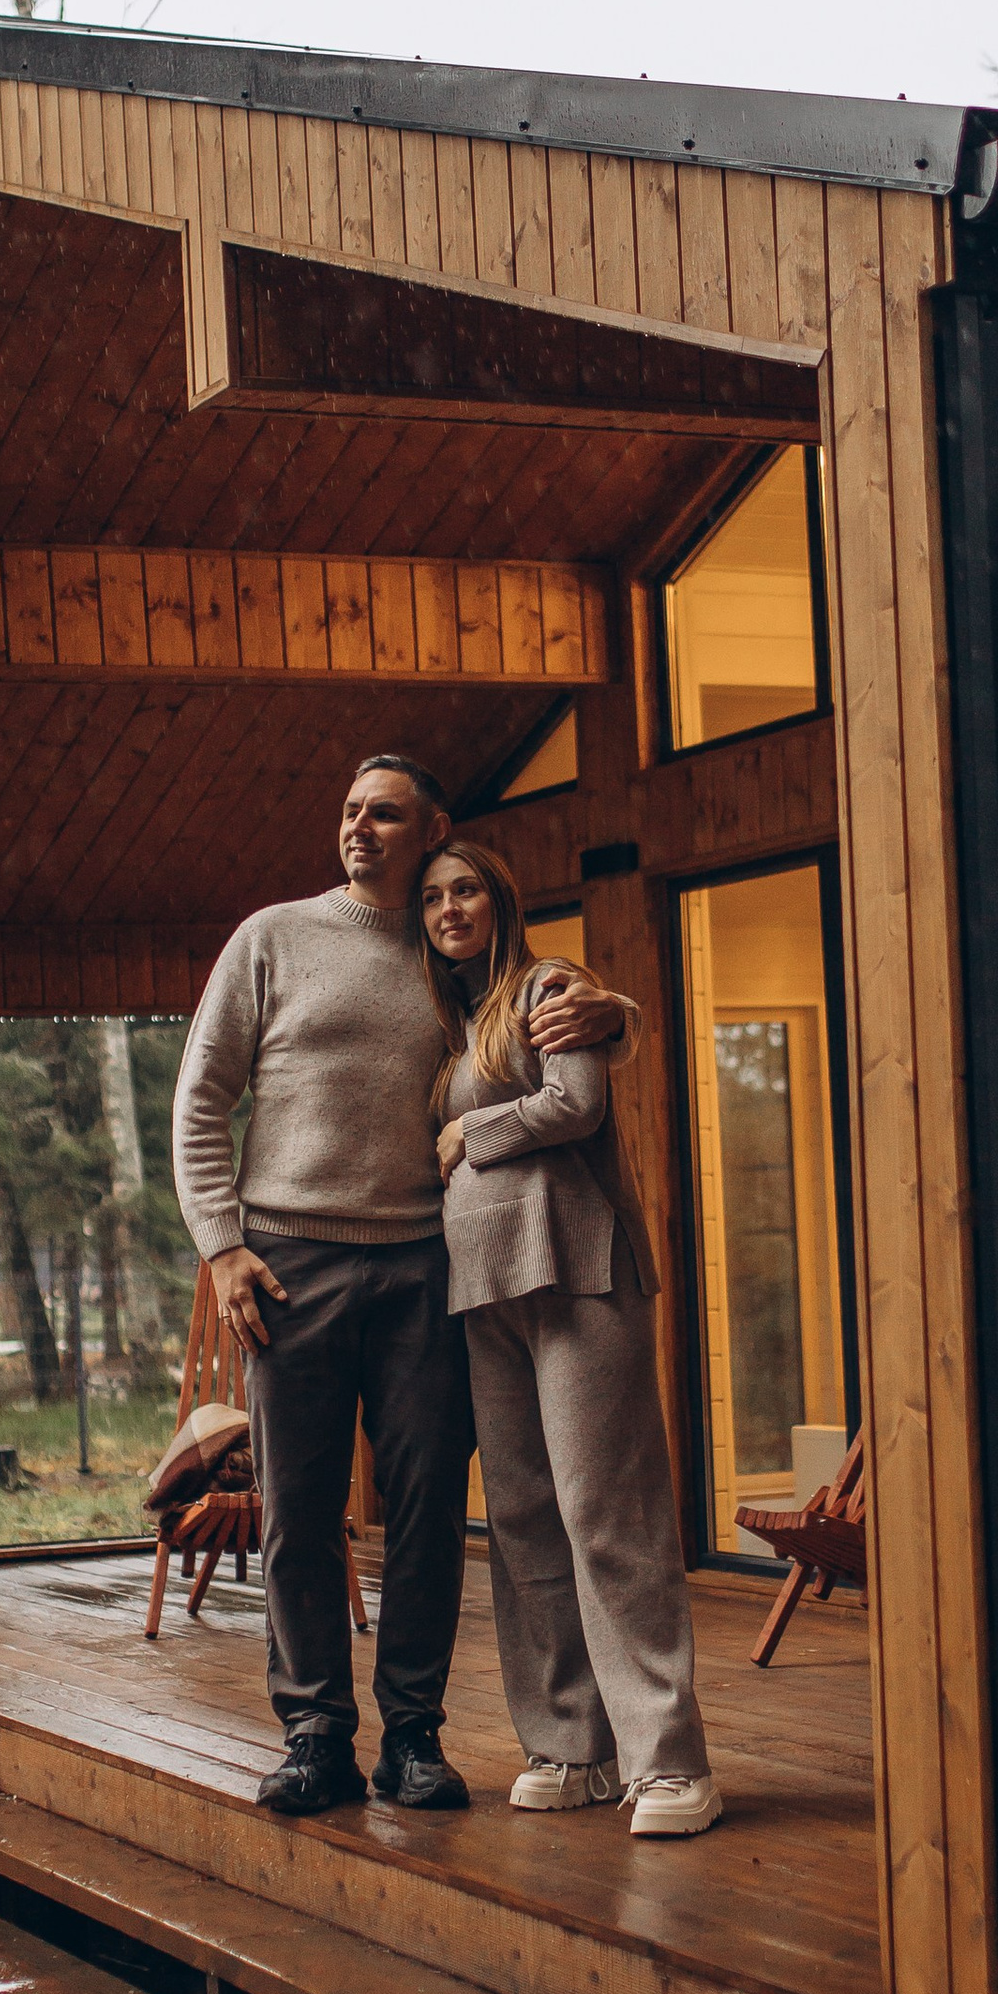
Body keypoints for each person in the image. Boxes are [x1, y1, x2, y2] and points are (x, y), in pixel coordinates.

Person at [170, 753, 629, 1818]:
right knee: (298, 1506)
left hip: (431, 1262)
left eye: (383, 814)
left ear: (433, 828)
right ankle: (315, 1733)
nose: (359, 829)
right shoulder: (271, 938)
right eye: (348, 813)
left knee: (428, 1508)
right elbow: (202, 1099)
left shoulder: (450, 955)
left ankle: (412, 1735)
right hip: (289, 1262)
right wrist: (223, 1244)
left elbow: (541, 1005)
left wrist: (613, 1012)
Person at [418, 835, 722, 1839]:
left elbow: (576, 1102)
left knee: (607, 1512)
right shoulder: (447, 1019)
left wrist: (471, 1136)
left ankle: (668, 1763)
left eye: (465, 890)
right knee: (522, 1520)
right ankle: (571, 1746)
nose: (450, 908)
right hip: (484, 1292)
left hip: (579, 1273)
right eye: (432, 898)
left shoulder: (548, 985)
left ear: (498, 899)